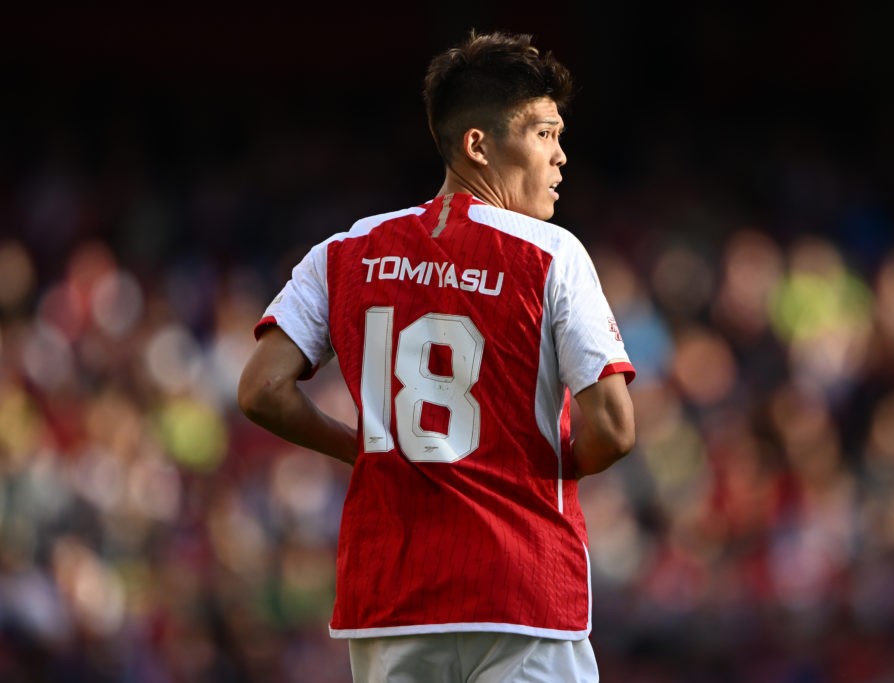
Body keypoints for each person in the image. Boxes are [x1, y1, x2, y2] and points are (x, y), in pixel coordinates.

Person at [237, 28, 636, 682]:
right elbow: (616, 429)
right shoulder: (552, 254)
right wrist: (551, 473)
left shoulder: (342, 252)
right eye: (543, 134)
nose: (561, 156)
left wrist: (362, 448)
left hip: (390, 599)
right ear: (478, 144)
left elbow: (260, 390)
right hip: (521, 591)